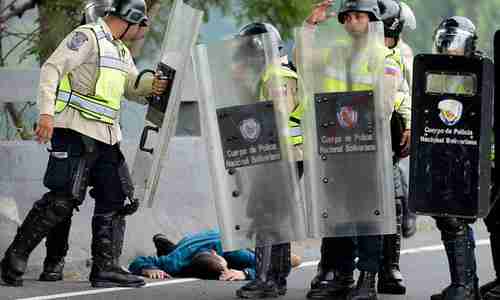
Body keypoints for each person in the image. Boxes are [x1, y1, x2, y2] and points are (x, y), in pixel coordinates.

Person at [0, 0, 170, 288]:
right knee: (62, 199)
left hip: (106, 136)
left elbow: (130, 86)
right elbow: (52, 69)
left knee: (117, 198)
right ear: (131, 19)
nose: (144, 31)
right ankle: (13, 259)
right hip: (74, 129)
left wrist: (151, 85)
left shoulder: (119, 50)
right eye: (143, 25)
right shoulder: (88, 37)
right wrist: (45, 113)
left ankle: (105, 268)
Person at [302, 0, 407, 299]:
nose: (351, 23)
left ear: (371, 20)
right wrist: (310, 27)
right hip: (336, 145)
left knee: (368, 215)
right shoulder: (336, 52)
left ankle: (368, 280)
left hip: (369, 148)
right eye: (347, 17)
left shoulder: (385, 57)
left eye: (358, 17)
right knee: (339, 215)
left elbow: (384, 105)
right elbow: (304, 65)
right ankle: (341, 276)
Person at [232, 22, 305, 299]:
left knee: (267, 216)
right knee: (274, 216)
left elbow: (277, 121)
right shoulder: (273, 74)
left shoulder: (277, 77)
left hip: (282, 157)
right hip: (283, 156)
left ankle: (265, 280)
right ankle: (276, 279)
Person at [428, 16, 482, 300]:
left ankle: (465, 286)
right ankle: (464, 284)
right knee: (447, 215)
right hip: (451, 154)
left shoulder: (483, 72)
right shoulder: (436, 72)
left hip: (481, 158)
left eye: (456, 43)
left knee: (458, 216)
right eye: (445, 42)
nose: (450, 49)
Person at [128, 230, 302, 281]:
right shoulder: (176, 263)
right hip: (187, 244)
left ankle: (165, 245)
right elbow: (136, 263)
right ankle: (166, 245)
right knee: (171, 257)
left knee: (293, 260)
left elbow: (276, 267)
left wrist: (245, 273)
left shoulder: (234, 252)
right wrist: (147, 269)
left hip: (230, 238)